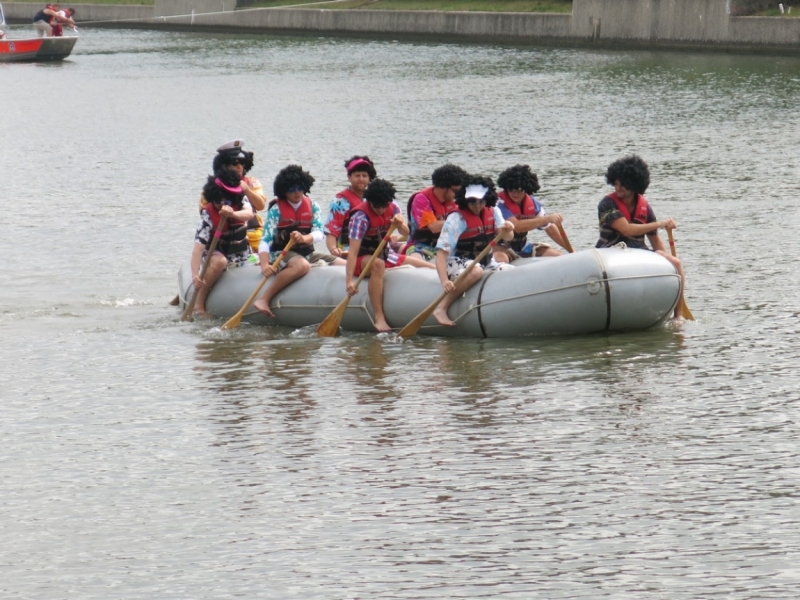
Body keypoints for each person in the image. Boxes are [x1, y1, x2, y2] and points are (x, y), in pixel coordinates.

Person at [595, 154, 686, 319]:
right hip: (611, 253)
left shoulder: (644, 207)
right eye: (615, 183)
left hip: (638, 253)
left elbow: (655, 239)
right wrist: (660, 223)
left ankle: (678, 316)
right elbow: (627, 230)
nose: (618, 187)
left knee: (677, 264)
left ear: (634, 184)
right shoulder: (607, 204)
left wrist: (666, 260)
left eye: (623, 184)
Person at [344, 178, 435, 333]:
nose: (380, 210)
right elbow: (352, 252)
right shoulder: (360, 217)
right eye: (376, 206)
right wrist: (349, 282)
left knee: (427, 266)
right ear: (370, 201)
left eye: (383, 206)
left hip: (384, 254)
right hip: (362, 258)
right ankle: (379, 316)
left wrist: (400, 224)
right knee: (378, 265)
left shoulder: (393, 208)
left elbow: (406, 234)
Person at [253, 165, 345, 318]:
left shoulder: (313, 206)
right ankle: (264, 299)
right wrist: (264, 264)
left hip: (308, 253)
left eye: (300, 188)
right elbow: (265, 240)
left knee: (346, 265)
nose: (297, 192)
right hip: (281, 254)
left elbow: (318, 233)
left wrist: (304, 238)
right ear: (284, 190)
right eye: (292, 189)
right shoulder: (276, 210)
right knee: (301, 265)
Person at [432, 175, 515, 327]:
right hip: (458, 262)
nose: (477, 205)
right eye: (472, 201)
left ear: (487, 199)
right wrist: (445, 280)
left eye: (481, 201)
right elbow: (441, 254)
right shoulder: (457, 219)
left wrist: (508, 229)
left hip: (487, 261)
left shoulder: (493, 211)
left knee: (512, 271)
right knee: (476, 271)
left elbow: (508, 236)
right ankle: (441, 308)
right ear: (465, 199)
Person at [190, 166, 255, 317]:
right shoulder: (208, 213)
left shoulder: (241, 202)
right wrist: (195, 275)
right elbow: (198, 249)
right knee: (220, 262)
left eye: (224, 200)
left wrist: (233, 213)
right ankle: (199, 304)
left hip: (242, 254)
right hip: (215, 253)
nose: (220, 204)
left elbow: (249, 214)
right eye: (216, 200)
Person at [200, 140, 267, 253]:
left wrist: (247, 190)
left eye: (242, 163)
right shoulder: (212, 188)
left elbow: (260, 205)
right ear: (224, 166)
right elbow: (204, 214)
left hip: (255, 236)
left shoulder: (252, 182)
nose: (239, 167)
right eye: (234, 163)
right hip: (227, 238)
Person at [495, 164, 568, 261]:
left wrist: (571, 250)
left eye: (519, 190)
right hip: (500, 246)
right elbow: (517, 226)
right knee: (501, 259)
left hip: (522, 247)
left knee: (558, 256)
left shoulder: (533, 203)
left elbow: (549, 227)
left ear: (526, 189)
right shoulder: (499, 203)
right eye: (511, 189)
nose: (515, 194)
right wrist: (547, 218)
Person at [403, 164, 468, 260]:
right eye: (456, 191)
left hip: (445, 246)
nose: (458, 195)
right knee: (416, 256)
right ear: (444, 187)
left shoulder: (455, 201)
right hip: (420, 247)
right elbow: (433, 227)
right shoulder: (421, 199)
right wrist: (457, 221)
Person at [323, 155, 377, 258]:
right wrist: (333, 249)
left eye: (364, 176)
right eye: (357, 175)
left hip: (371, 247)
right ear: (349, 177)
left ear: (369, 178)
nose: (361, 179)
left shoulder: (373, 199)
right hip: (348, 250)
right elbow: (331, 232)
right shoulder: (339, 202)